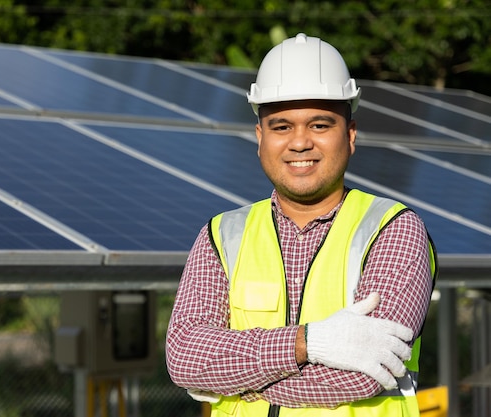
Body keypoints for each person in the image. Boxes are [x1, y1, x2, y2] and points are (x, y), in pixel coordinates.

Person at [165, 33, 437, 417]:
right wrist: (307, 343)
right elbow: (186, 359)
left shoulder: (393, 229)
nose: (299, 143)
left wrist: (236, 383)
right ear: (260, 137)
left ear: (351, 134)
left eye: (320, 125)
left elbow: (365, 375)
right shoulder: (221, 234)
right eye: (281, 127)